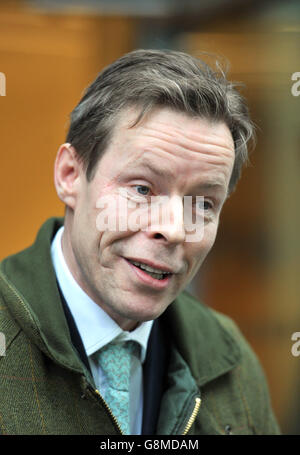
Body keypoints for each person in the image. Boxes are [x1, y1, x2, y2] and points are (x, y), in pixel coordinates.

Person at [0, 49, 280, 435]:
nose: (175, 229)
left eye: (203, 203)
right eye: (143, 188)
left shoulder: (229, 359)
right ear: (70, 175)